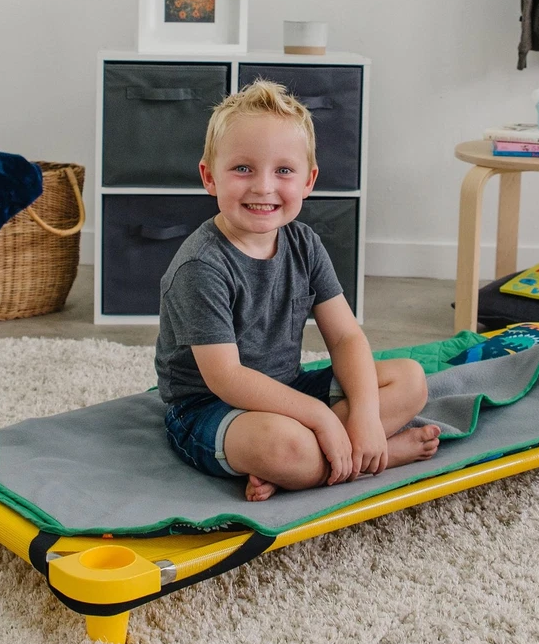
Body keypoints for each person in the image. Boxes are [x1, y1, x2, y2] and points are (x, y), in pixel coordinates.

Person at [155, 79, 440, 502]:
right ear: (209, 177)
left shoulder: (304, 242)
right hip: (209, 408)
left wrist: (362, 413)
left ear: (308, 181)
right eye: (242, 168)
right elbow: (227, 378)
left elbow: (345, 336)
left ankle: (331, 456)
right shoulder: (201, 266)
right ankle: (373, 455)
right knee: (287, 447)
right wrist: (322, 419)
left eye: (283, 171)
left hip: (287, 387)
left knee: (410, 379)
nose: (264, 187)